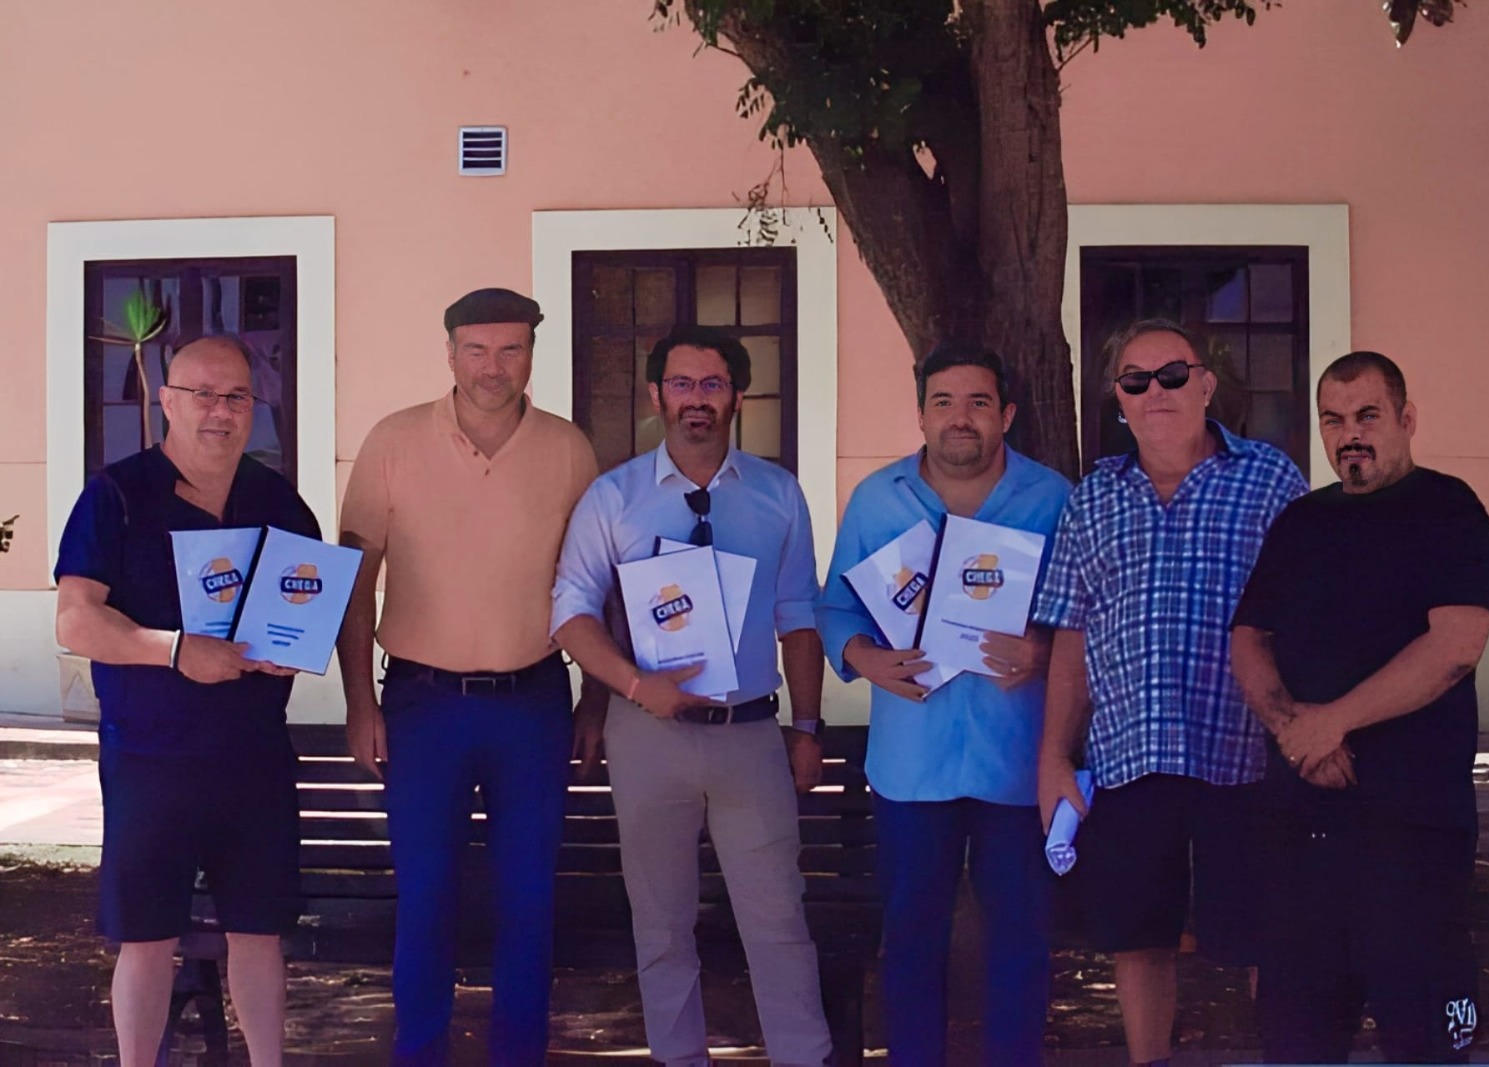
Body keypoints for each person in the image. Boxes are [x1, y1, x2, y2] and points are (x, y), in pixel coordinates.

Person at [551, 324, 832, 1067]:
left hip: (751, 734)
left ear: (738, 396)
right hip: (648, 734)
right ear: (656, 395)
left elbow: (799, 614)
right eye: (681, 384)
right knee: (662, 925)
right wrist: (633, 684)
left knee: (779, 920)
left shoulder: (777, 494)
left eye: (712, 384)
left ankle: (803, 1057)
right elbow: (571, 612)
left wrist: (808, 726)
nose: (696, 399)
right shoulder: (614, 498)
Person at [1033, 319, 1307, 1067]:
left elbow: (1309, 612)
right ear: (1118, 399)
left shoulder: (1271, 481)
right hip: (1129, 756)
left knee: (1265, 934)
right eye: (1135, 379)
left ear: (1207, 385)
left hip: (1245, 755)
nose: (1156, 391)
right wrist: (1054, 757)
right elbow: (1072, 638)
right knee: (1139, 938)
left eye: (1173, 375)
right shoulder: (1093, 499)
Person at [336, 288, 599, 1066]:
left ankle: (519, 1054)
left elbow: (597, 585)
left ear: (531, 355)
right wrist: (359, 702)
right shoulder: (393, 440)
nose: (494, 366)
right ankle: (420, 1053)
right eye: (477, 349)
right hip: (422, 705)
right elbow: (355, 582)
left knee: (529, 899)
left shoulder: (568, 449)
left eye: (511, 349)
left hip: (534, 702)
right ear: (450, 353)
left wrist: (596, 699)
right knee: (426, 898)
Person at [1231, 351, 1489, 1063]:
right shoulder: (1300, 522)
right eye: (1334, 420)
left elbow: (1456, 647)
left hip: (1414, 828)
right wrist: (1295, 733)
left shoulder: (1450, 511)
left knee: (1425, 1041)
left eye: (1367, 416)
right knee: (1296, 1041)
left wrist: (1333, 722)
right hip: (1302, 828)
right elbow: (1249, 637)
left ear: (1406, 419)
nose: (1350, 434)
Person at [55, 335, 316, 1067]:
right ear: (167, 401)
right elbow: (75, 620)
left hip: (253, 756)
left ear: (253, 407)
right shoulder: (117, 495)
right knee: (146, 938)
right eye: (202, 394)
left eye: (236, 396)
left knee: (260, 934)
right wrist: (173, 649)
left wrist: (294, 645)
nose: (220, 411)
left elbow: (303, 610)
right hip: (150, 757)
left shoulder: (280, 504)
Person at [816, 340, 1071, 1066]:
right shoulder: (878, 498)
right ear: (922, 414)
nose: (961, 418)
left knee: (1021, 943)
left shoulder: (1053, 498)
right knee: (910, 942)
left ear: (1007, 414)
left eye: (979, 403)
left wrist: (1042, 652)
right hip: (911, 767)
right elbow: (835, 608)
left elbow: (1087, 615)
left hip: (1017, 765)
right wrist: (864, 658)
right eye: (944, 402)